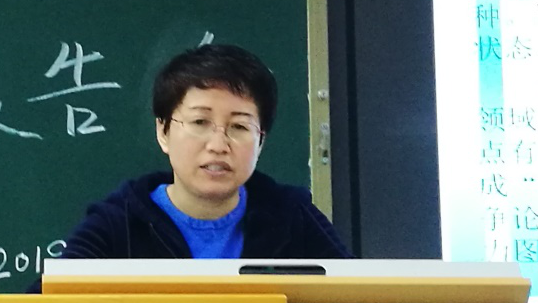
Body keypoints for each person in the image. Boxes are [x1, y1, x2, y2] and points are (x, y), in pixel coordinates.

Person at [55, 43, 351, 261]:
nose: (218, 145)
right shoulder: (118, 223)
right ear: (163, 132)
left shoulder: (292, 217)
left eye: (239, 127)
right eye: (199, 122)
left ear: (260, 141)